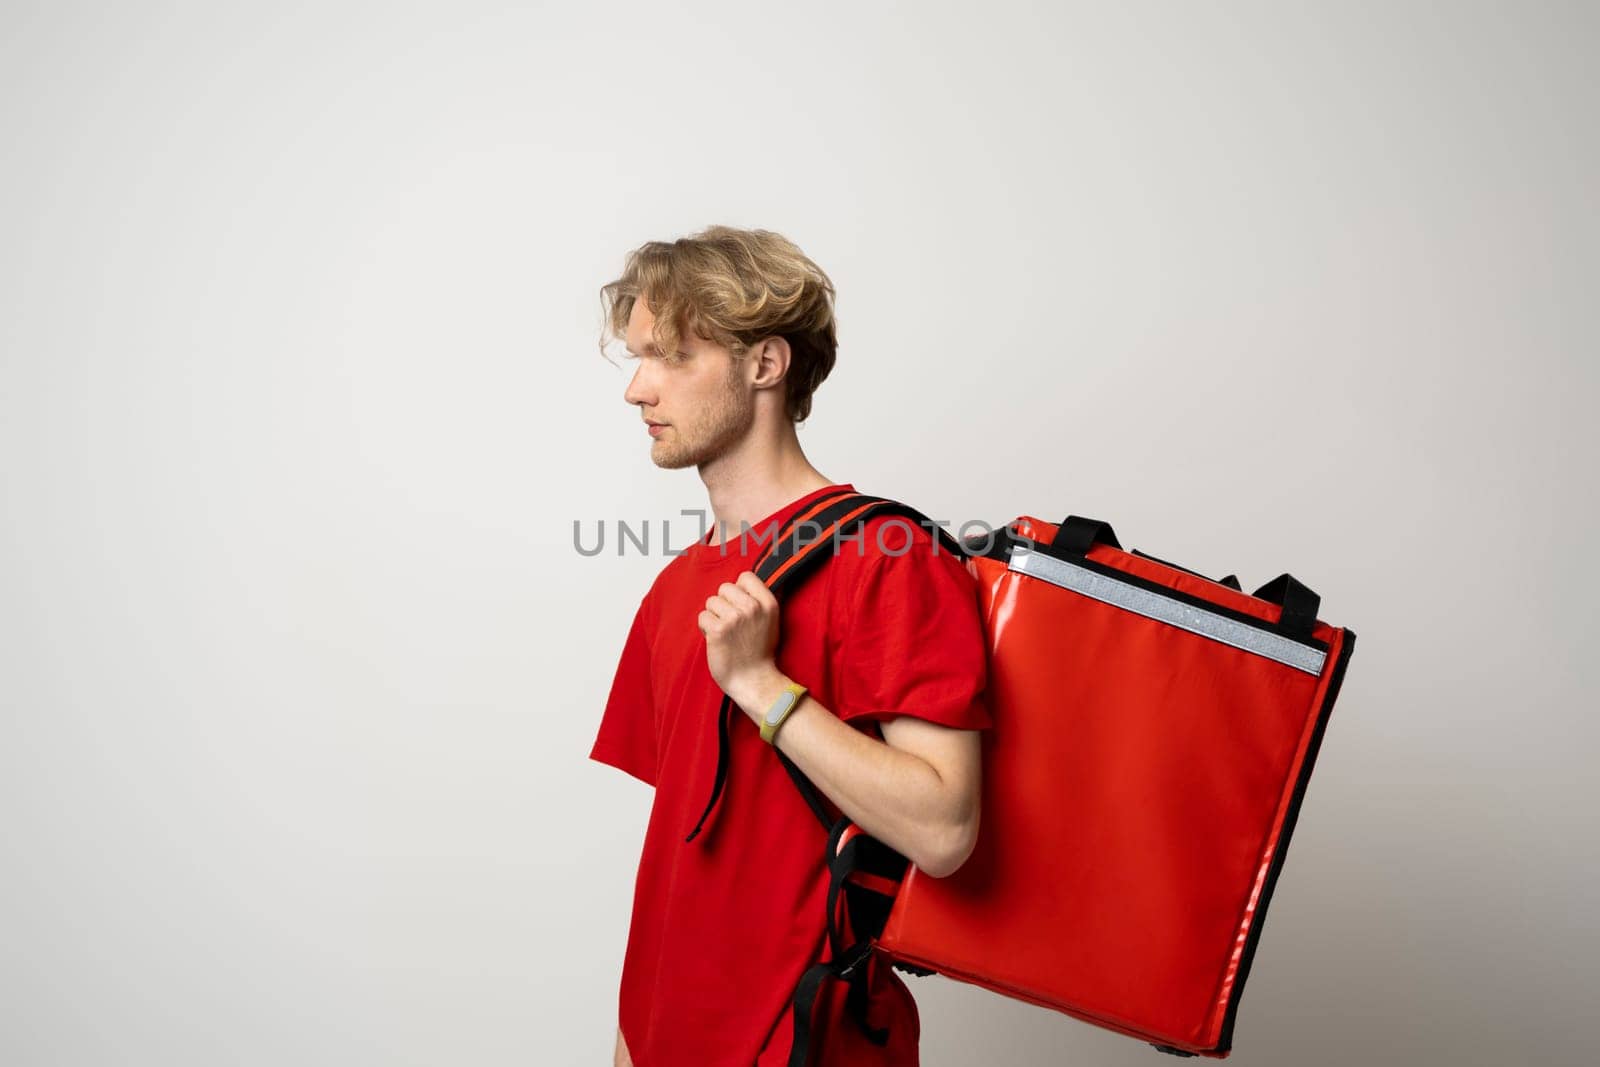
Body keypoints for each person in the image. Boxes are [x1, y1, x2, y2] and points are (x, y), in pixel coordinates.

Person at [587, 226, 992, 1066]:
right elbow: (682, 860)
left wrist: (761, 685)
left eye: (670, 357)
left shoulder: (892, 559)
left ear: (764, 364)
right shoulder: (674, 589)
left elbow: (945, 827)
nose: (636, 389)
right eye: (636, 358)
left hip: (809, 1044)